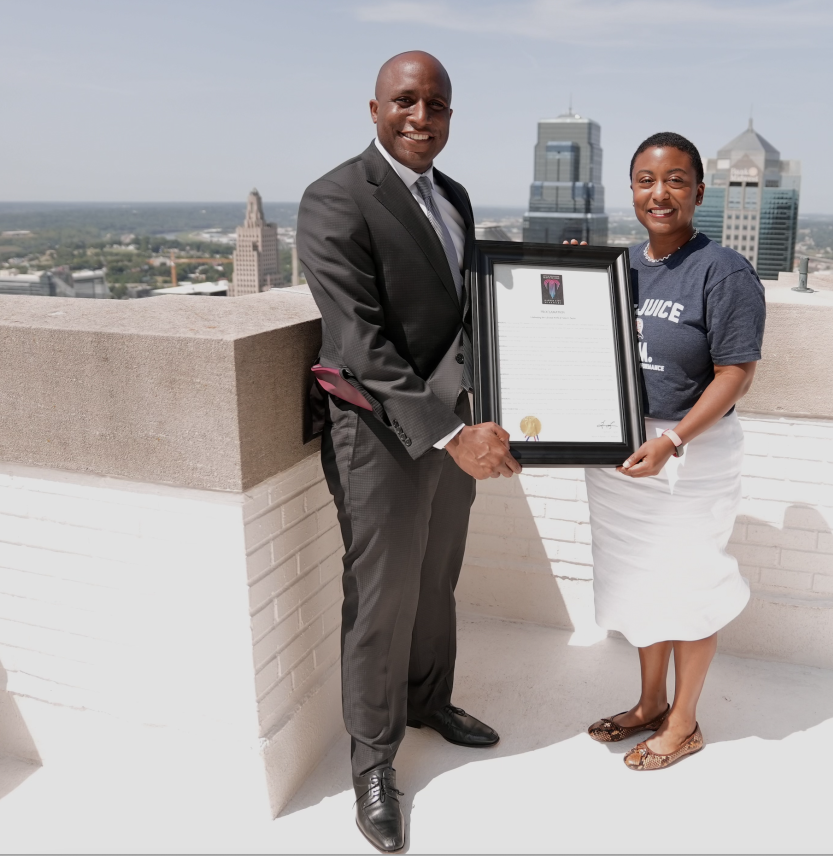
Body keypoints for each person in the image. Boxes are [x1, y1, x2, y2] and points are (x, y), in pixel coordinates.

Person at [296, 51, 521, 852]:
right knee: (380, 601)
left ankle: (429, 699)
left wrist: (487, 410)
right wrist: (451, 432)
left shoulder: (453, 196)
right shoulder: (334, 199)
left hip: (453, 430)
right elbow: (358, 342)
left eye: (437, 104)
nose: (421, 116)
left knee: (436, 579)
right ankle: (372, 762)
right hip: (381, 435)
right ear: (373, 109)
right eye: (405, 101)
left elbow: (468, 317)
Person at [576, 132, 765, 770]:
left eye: (676, 180)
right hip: (621, 452)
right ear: (632, 190)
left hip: (690, 453)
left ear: (699, 191)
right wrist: (566, 278)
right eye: (646, 180)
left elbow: (735, 372)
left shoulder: (724, 271)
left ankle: (684, 722)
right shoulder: (621, 267)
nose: (660, 193)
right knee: (638, 583)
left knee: (688, 583)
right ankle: (649, 702)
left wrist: (674, 440)